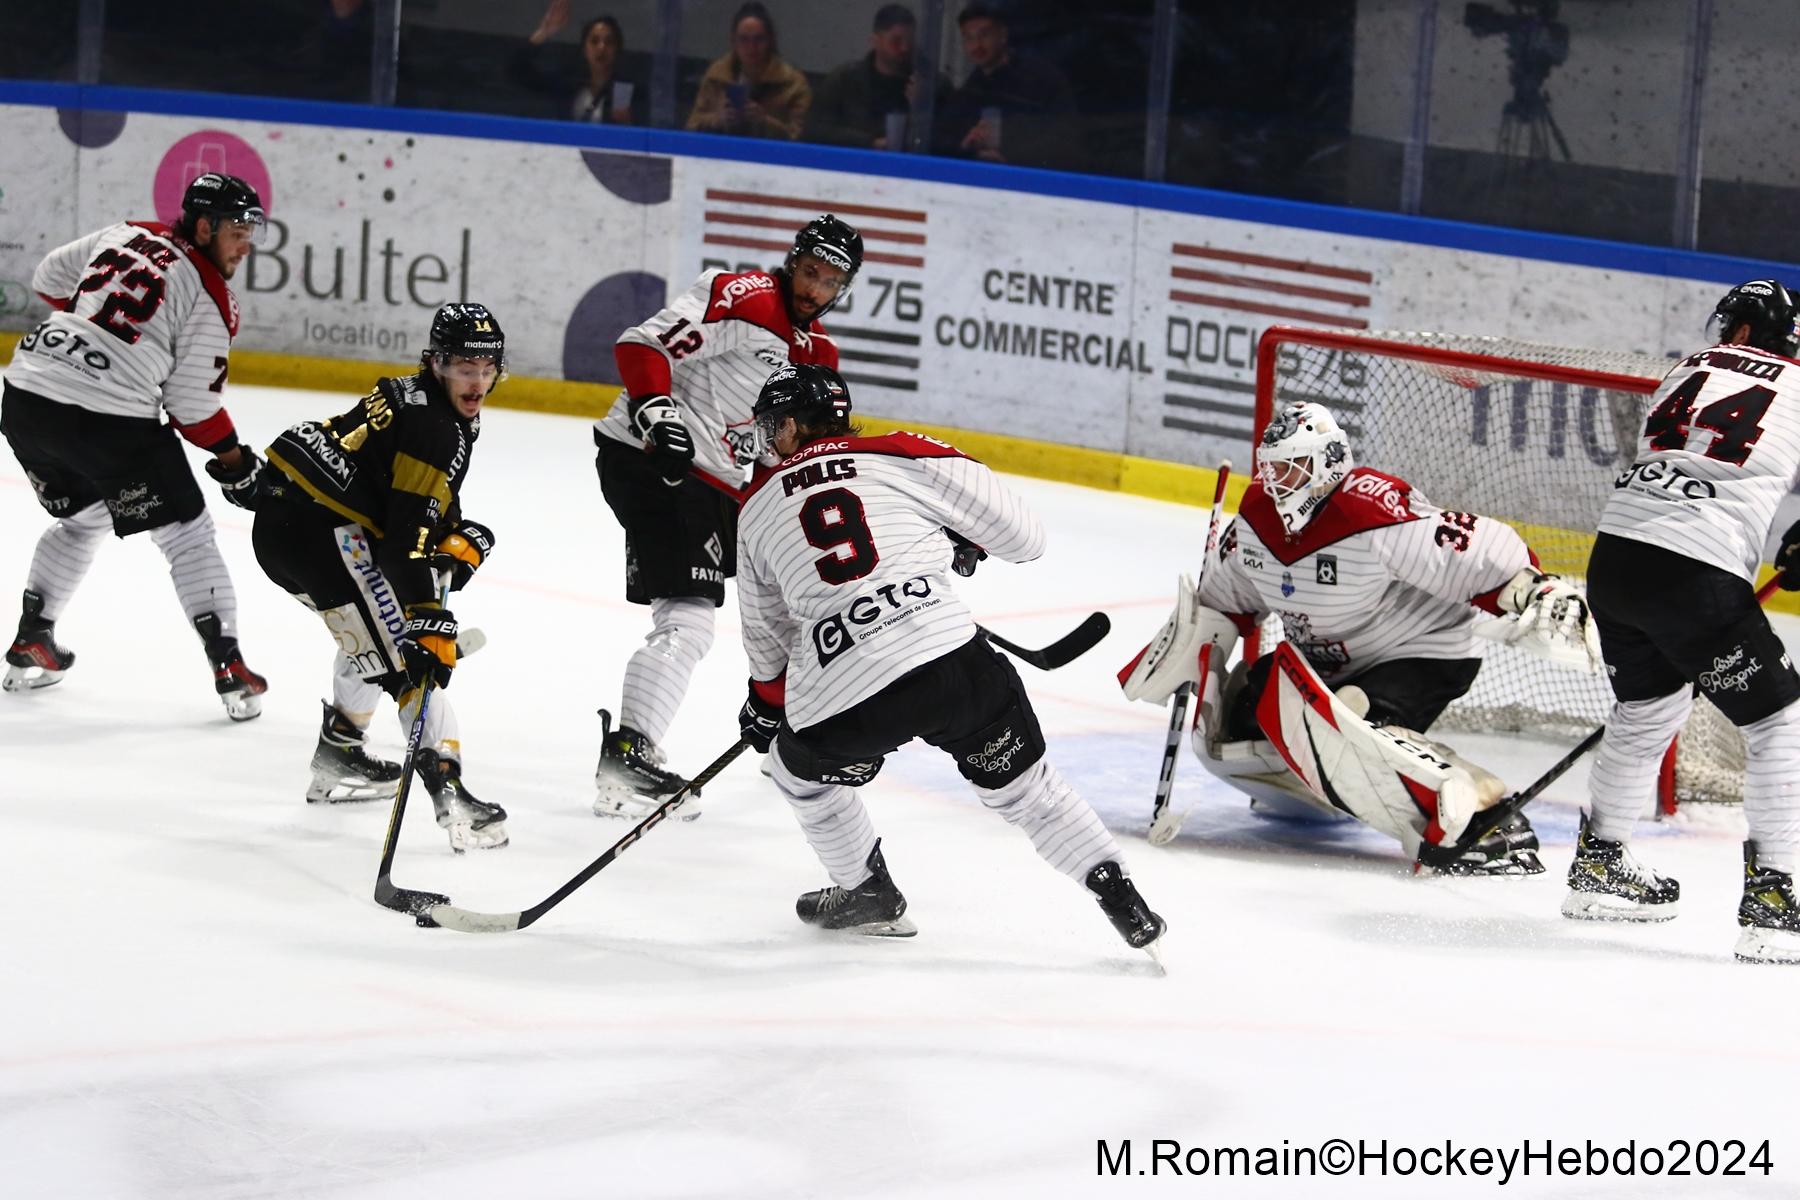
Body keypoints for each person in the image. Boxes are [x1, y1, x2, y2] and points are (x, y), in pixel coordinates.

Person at [733, 364, 1164, 952]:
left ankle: (865, 891)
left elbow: (768, 637)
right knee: (1029, 791)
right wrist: (963, 536)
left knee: (795, 771)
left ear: (786, 425)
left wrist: (765, 705)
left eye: (769, 428)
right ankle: (1121, 897)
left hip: (845, 700)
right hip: (954, 668)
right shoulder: (902, 453)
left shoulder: (755, 510)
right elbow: (1025, 540)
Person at [1122, 402, 1603, 875]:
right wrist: (1196, 640)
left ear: (1328, 463)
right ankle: (1313, 777)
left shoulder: (1369, 508)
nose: (1276, 484)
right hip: (1328, 666)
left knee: (1354, 719)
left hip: (1421, 651)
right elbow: (1227, 598)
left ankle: (1482, 811)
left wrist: (1531, 589)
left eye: (1291, 470)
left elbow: (1466, 545)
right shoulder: (1257, 521)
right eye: (1271, 471)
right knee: (1246, 722)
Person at [590, 216, 857, 820]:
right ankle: (629, 753)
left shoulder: (821, 356)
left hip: (727, 490)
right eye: (810, 271)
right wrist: (657, 410)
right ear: (793, 260)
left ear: (844, 290)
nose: (814, 288)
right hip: (657, 462)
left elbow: (797, 450)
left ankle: (795, 744)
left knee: (801, 609)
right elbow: (641, 343)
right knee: (687, 619)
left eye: (830, 281)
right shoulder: (748, 298)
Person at [1566, 279, 1800, 963]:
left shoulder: (1686, 367)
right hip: (1695, 572)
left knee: (1647, 710)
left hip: (1616, 560)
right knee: (1778, 719)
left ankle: (1600, 861)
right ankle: (1776, 898)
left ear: (1739, 331)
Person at [2, 172, 270, 720]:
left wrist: (90, 330)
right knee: (188, 532)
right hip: (107, 419)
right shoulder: (210, 298)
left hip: (25, 394)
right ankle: (229, 665)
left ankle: (34, 639)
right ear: (203, 226)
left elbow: (49, 275)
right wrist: (237, 462)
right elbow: (192, 407)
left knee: (84, 517)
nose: (247, 244)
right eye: (238, 231)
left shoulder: (127, 231)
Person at [245, 303, 510, 853]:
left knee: (369, 627)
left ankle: (341, 750)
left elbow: (405, 491)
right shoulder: (438, 427)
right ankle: (451, 790)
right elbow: (403, 546)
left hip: (293, 519)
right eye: (465, 366)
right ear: (435, 361)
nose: (478, 381)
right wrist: (427, 618)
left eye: (488, 368)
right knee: (410, 658)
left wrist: (454, 532)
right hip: (317, 534)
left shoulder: (416, 394)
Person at [937, 3, 1077, 171]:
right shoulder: (968, 91)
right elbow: (945, 144)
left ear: (1003, 34)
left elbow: (1065, 142)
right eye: (968, 38)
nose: (976, 45)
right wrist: (966, 144)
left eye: (984, 35)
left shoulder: (1041, 80)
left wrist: (1011, 156)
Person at [807, 4, 949, 150]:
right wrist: (869, 143)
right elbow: (815, 131)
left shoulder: (933, 85)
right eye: (896, 41)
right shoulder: (845, 80)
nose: (905, 48)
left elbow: (947, 141)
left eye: (910, 41)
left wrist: (922, 108)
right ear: (875, 41)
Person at [685, 2, 811, 141]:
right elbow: (691, 127)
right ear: (733, 41)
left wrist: (765, 121)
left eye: (759, 39)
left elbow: (802, 139)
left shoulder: (793, 85)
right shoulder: (716, 77)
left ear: (771, 41)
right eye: (744, 40)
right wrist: (716, 120)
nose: (751, 47)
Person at [509, 4, 636, 124]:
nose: (601, 48)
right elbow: (517, 71)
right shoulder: (568, 82)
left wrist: (628, 123)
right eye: (594, 41)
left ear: (617, 49)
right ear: (584, 49)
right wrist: (543, 32)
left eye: (609, 42)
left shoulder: (625, 89)